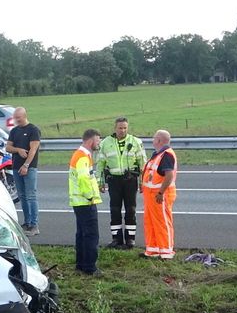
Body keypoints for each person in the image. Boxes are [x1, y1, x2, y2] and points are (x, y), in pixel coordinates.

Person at [95, 117, 147, 249]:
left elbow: (143, 164)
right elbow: (100, 164)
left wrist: (142, 183)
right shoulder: (106, 143)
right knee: (114, 210)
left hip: (130, 181)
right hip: (114, 181)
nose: (122, 130)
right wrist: (100, 182)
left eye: (125, 128)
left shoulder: (135, 142)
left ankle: (130, 239)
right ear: (115, 128)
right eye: (120, 128)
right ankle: (116, 239)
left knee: (131, 210)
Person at [70, 129, 104, 276]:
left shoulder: (80, 155)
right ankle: (90, 267)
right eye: (98, 140)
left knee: (82, 234)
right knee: (91, 235)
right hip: (85, 201)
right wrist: (90, 197)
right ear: (91, 140)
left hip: (79, 202)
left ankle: (81, 264)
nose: (99, 143)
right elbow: (84, 179)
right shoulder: (83, 156)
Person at [141, 129, 178, 259]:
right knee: (150, 222)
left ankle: (166, 252)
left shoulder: (166, 155)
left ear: (159, 140)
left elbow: (169, 175)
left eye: (154, 138)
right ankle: (153, 250)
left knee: (162, 222)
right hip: (151, 195)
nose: (152, 140)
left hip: (160, 195)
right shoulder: (158, 154)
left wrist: (161, 192)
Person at [4, 107, 40, 236]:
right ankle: (27, 222)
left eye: (18, 117)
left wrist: (26, 165)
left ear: (24, 116)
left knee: (31, 195)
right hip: (15, 166)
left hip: (29, 167)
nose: (16, 120)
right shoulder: (14, 131)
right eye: (15, 117)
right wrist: (18, 150)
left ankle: (34, 225)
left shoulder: (33, 130)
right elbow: (8, 147)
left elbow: (33, 150)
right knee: (22, 196)